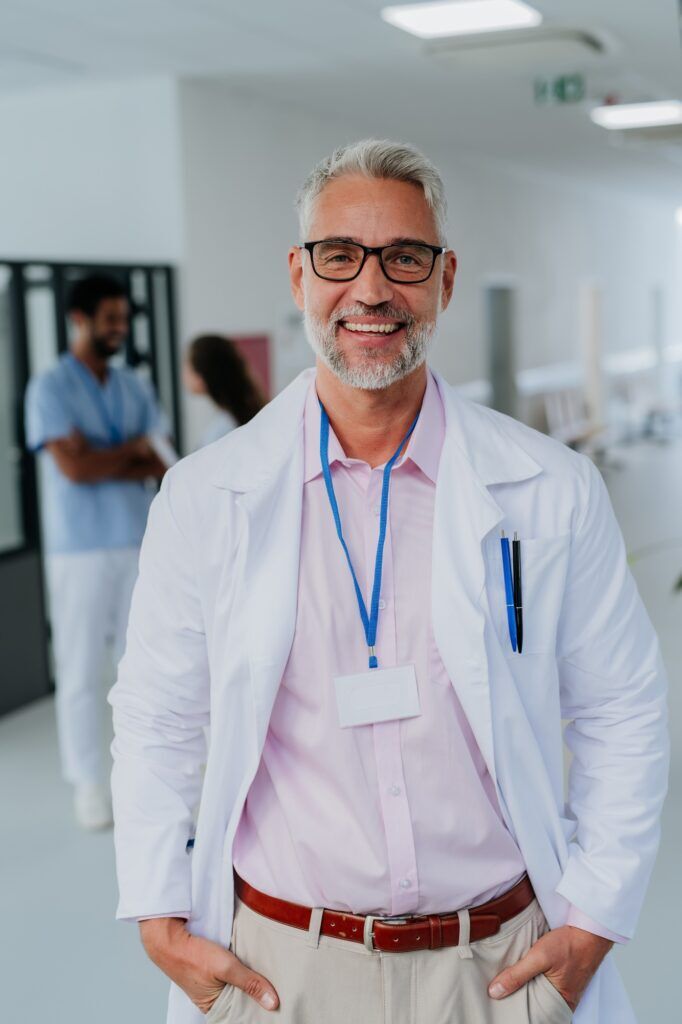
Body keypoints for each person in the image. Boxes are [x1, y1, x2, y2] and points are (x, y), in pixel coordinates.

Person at [109, 141, 668, 1024]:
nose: (372, 289)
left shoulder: (549, 487)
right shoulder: (205, 495)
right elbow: (157, 714)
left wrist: (595, 920)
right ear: (299, 274)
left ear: (445, 282)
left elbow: (622, 708)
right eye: (341, 255)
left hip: (499, 965)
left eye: (405, 257)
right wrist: (157, 910)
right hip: (282, 969)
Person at [25, 273, 167, 830]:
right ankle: (88, 782)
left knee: (144, 666)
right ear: (79, 319)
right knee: (82, 669)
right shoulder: (50, 388)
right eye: (109, 319)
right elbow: (73, 469)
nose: (119, 329)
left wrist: (111, 453)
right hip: (78, 549)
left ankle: (147, 775)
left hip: (135, 540)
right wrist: (124, 453)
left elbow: (157, 461)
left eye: (123, 319)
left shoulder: (135, 386)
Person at [183, 334, 265, 448]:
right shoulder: (239, 417)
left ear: (201, 377)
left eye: (186, 367)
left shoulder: (222, 431)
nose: (183, 375)